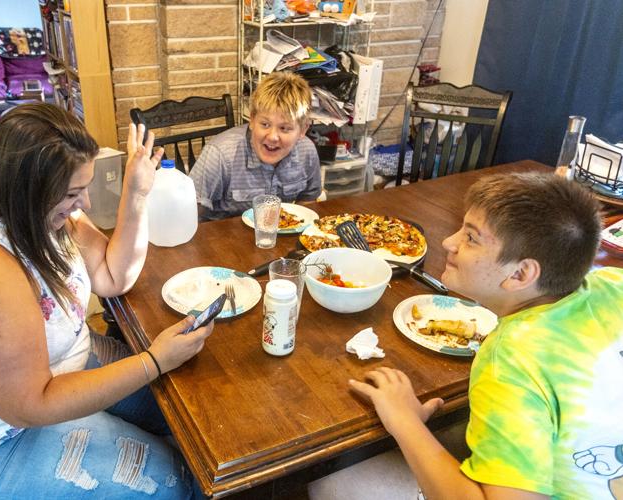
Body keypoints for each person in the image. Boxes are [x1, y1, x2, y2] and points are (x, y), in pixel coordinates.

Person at [0, 103, 213, 498]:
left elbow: (111, 276)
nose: (85, 203)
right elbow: (31, 405)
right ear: (27, 189)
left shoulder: (44, 216)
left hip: (50, 375)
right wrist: (153, 361)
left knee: (188, 417)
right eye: (72, 192)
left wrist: (136, 193)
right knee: (175, 480)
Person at [347, 172, 623, 499]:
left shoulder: (509, 361)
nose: (449, 242)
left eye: (471, 238)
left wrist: (405, 421)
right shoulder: (612, 282)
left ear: (520, 273)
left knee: (336, 476)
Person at [189, 71, 322, 221]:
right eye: (265, 124)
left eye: (284, 128)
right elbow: (187, 213)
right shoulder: (220, 154)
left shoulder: (307, 151)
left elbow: (308, 201)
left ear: (303, 129)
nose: (272, 136)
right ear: (252, 120)